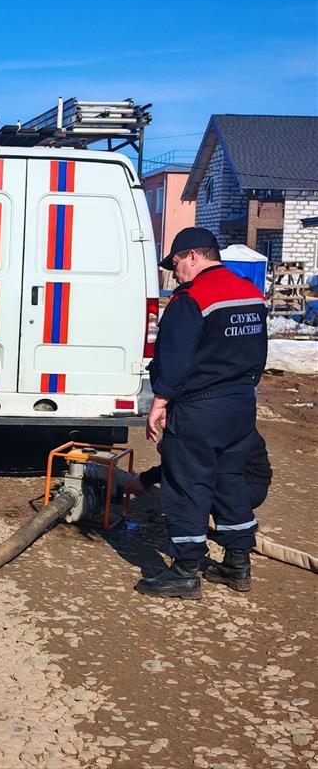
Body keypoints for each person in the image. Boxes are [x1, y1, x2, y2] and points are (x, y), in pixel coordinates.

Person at [137, 227, 268, 599]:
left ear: (193, 257)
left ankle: (184, 571)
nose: (174, 273)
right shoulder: (250, 293)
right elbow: (259, 353)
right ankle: (237, 564)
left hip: (199, 407)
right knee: (229, 479)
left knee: (187, 483)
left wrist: (159, 402)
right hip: (241, 403)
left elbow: (174, 358)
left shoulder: (191, 299)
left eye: (175, 264)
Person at [126, 429, 272, 592]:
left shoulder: (202, 423)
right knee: (216, 483)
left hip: (236, 489)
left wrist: (144, 479)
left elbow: (185, 468)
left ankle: (184, 573)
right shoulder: (234, 420)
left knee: (188, 491)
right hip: (252, 487)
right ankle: (237, 567)